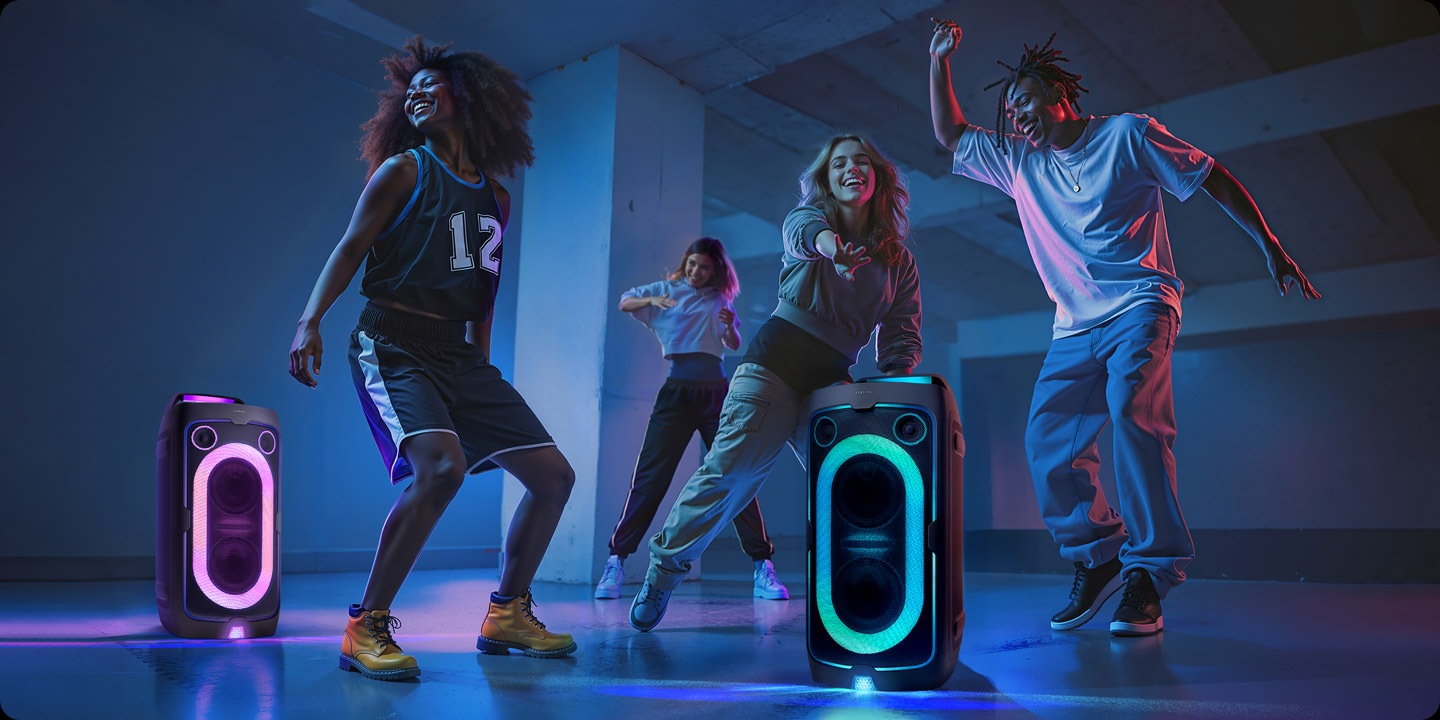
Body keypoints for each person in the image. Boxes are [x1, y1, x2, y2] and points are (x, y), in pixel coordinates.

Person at [928, 20, 1321, 636]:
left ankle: (1151, 572)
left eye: (1024, 100)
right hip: (1072, 325)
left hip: (1141, 303)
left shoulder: (1128, 135)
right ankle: (1098, 553)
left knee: (1132, 414)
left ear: (1059, 92)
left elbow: (1210, 175)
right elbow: (949, 131)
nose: (1016, 115)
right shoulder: (1018, 163)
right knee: (1047, 443)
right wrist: (939, 61)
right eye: (1008, 110)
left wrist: (1268, 244)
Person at [288, 37, 578, 681]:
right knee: (441, 470)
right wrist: (311, 322)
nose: (417, 94)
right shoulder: (404, 170)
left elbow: (485, 290)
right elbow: (349, 248)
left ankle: (507, 614)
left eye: (431, 85)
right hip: (392, 341)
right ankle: (365, 627)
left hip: (458, 355)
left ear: (467, 97)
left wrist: (478, 370)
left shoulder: (497, 198)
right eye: (410, 89)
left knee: (555, 478)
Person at [628, 134, 924, 631]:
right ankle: (661, 574)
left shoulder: (899, 262)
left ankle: (868, 595)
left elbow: (902, 335)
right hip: (774, 361)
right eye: (839, 165)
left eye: (862, 161)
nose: (852, 169)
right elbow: (804, 234)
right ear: (828, 180)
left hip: (831, 380)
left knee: (859, 483)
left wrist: (897, 387)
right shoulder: (809, 221)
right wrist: (835, 251)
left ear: (878, 175)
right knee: (728, 474)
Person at [596, 238, 790, 601]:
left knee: (736, 475)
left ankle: (762, 566)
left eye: (703, 267)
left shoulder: (720, 300)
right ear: (684, 263)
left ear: (715, 269)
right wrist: (653, 301)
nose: (695, 272)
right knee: (650, 477)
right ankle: (616, 562)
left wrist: (731, 325)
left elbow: (732, 344)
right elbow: (625, 302)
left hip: (717, 393)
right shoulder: (665, 291)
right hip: (676, 393)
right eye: (691, 265)